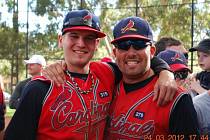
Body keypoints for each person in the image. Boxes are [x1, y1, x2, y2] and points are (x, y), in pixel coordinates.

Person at [4, 10, 176, 140]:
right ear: (60, 40)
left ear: (96, 43)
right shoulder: (40, 87)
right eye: (74, 36)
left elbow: (136, 59)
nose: (81, 43)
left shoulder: (107, 72)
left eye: (89, 38)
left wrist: (166, 72)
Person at [105, 16, 199, 139]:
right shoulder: (105, 87)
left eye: (139, 45)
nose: (131, 53)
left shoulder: (176, 98)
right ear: (114, 53)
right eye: (123, 45)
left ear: (152, 51)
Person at [189, 38, 210, 137]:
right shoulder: (201, 74)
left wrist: (198, 88)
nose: (200, 59)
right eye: (198, 56)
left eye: (205, 56)